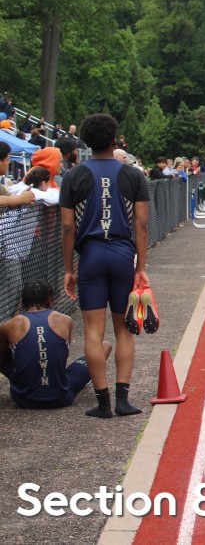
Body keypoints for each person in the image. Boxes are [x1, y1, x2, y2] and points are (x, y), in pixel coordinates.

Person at [59, 113, 150, 417]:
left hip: (91, 256)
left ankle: (103, 403)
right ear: (114, 140)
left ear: (86, 142)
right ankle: (123, 399)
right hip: (123, 255)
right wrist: (140, 267)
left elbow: (68, 227)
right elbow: (141, 224)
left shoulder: (74, 176)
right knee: (124, 330)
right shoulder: (133, 175)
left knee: (93, 332)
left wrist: (69, 269)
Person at [0, 281, 112, 409]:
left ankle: (24, 382)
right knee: (105, 346)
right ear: (49, 299)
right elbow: (61, 354)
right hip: (61, 397)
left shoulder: (10, 324)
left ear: (23, 301)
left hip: (23, 399)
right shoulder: (65, 320)